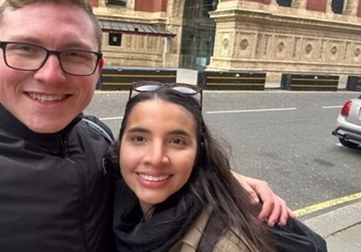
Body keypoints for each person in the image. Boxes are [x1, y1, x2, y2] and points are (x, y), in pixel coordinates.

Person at [0, 0, 290, 252]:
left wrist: (215, 174)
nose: (50, 75)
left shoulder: (99, 142)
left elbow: (151, 169)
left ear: (98, 68)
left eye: (74, 54)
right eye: (26, 48)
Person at [112, 82, 275, 251]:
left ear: (199, 153)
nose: (155, 158)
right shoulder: (111, 193)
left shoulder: (225, 245)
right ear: (120, 144)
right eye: (139, 139)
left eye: (176, 141)